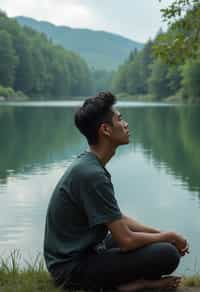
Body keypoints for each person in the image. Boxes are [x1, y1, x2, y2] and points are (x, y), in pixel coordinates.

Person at [44, 91, 189, 291]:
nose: (126, 124)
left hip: (84, 251)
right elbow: (127, 241)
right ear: (105, 129)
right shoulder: (92, 174)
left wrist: (163, 233)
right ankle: (132, 286)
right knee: (167, 253)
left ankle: (126, 284)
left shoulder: (90, 164)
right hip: (70, 270)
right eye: (120, 119)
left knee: (152, 242)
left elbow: (116, 217)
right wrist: (169, 237)